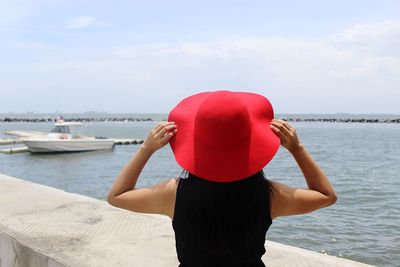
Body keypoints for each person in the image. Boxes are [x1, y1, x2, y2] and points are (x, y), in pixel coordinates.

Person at [107, 91, 337, 267]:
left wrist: (146, 149)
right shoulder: (270, 196)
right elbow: (326, 196)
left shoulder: (173, 193)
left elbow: (117, 196)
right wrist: (297, 148)